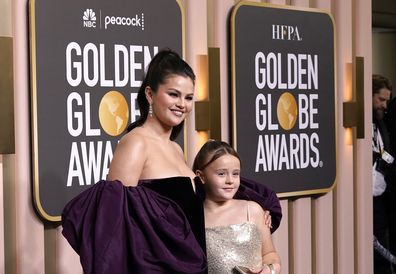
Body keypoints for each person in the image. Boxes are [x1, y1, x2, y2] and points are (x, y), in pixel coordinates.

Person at [61, 49, 282, 274]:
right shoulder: (136, 143)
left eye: (188, 98)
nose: (182, 104)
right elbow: (114, 228)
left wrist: (255, 208)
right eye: (173, 94)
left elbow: (192, 204)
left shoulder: (175, 148)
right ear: (150, 94)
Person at [193, 140, 281, 274]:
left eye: (235, 173)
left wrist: (270, 270)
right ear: (202, 176)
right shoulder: (194, 218)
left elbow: (270, 254)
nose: (230, 180)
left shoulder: (252, 210)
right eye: (221, 173)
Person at [372, 74, 393, 274]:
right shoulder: (363, 125)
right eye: (381, 99)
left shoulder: (381, 125)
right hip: (362, 202)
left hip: (379, 201)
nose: (384, 105)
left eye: (387, 100)